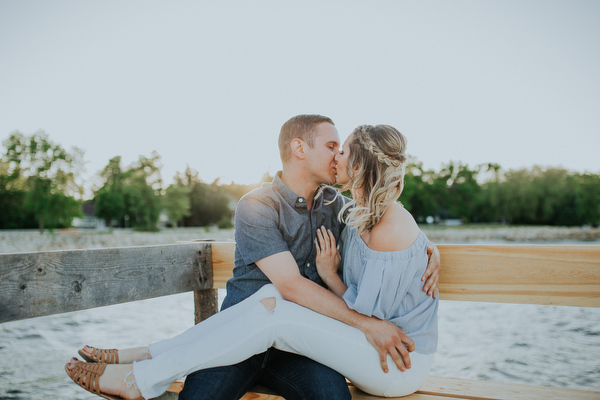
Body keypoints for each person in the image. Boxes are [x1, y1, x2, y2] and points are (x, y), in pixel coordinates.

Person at [65, 116, 440, 399]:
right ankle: (140, 361)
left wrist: (427, 249)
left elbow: (389, 225)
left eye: (342, 150)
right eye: (331, 146)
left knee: (319, 378)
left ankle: (139, 372)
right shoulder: (261, 205)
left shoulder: (340, 208)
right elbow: (296, 286)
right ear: (299, 149)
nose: (337, 155)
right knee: (211, 383)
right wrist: (364, 309)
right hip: (239, 337)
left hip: (343, 349)